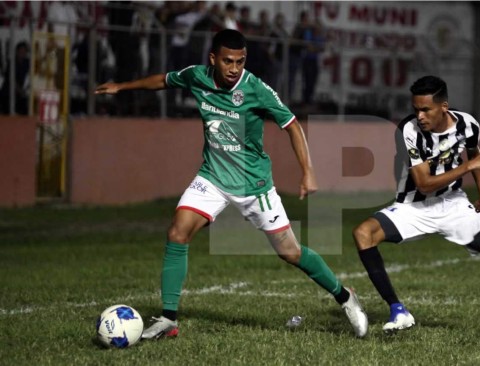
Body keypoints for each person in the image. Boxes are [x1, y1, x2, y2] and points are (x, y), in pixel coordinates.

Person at [94, 29, 368, 339]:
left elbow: (292, 125)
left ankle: (345, 296)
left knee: (290, 253)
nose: (234, 68)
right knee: (177, 231)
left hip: (255, 186)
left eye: (240, 61)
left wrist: (308, 171)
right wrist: (122, 86)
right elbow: (164, 80)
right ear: (213, 59)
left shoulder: (256, 90)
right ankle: (169, 320)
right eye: (228, 61)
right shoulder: (197, 76)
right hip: (213, 177)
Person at [352, 75, 480, 344]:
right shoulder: (409, 130)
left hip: (454, 204)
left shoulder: (468, 124)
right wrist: (466, 169)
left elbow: (474, 155)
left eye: (426, 109)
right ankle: (398, 309)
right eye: (416, 109)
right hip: (414, 206)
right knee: (363, 233)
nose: (420, 115)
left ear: (444, 107)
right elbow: (424, 184)